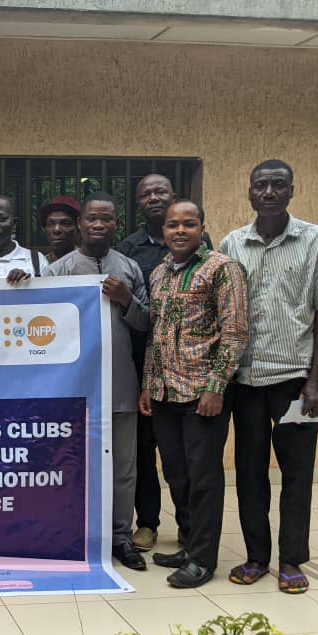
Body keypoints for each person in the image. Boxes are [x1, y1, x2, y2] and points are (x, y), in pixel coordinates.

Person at [219, 159, 318, 594]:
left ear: (292, 191)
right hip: (246, 381)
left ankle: (291, 559)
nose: (269, 192)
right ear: (250, 192)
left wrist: (316, 381)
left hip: (296, 382)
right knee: (249, 471)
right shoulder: (232, 244)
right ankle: (257, 556)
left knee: (296, 473)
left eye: (278, 185)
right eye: (261, 185)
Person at [138, 200, 249, 588]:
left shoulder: (222, 268)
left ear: (202, 227)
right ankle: (188, 543)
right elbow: (155, 333)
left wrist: (216, 387)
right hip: (165, 393)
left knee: (203, 479)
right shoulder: (159, 273)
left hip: (203, 393)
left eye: (189, 223)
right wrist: (149, 384)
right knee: (176, 474)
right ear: (163, 231)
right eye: (173, 225)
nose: (180, 230)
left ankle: (203, 559)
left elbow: (235, 333)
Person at [38, 192, 151, 571]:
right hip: (71, 387)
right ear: (80, 224)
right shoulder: (58, 271)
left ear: (117, 223)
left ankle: (121, 537)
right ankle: (71, 533)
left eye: (107, 219)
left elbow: (147, 323)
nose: (99, 225)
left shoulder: (130, 268)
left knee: (124, 467)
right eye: (92, 219)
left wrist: (126, 299)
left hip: (120, 383)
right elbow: (41, 325)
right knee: (68, 462)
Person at [116, 174, 214, 553]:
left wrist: (217, 381)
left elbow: (227, 323)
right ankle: (148, 523)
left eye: (161, 191)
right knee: (147, 452)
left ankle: (193, 536)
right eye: (146, 193)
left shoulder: (208, 254)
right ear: (138, 202)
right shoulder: (130, 251)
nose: (154, 197)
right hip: (146, 365)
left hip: (193, 373)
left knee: (189, 461)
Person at [38, 195, 80, 263]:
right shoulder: (40, 264)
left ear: (78, 226)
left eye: (65, 223)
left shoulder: (91, 263)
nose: (56, 229)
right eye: (50, 224)